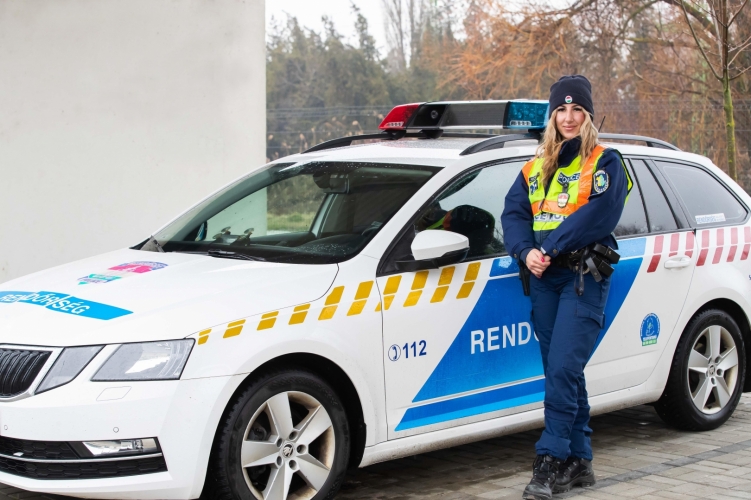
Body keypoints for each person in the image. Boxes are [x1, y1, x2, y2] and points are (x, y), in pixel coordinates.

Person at [500, 75, 632, 500]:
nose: (569, 117)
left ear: (588, 115)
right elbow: (513, 214)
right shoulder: (535, 166)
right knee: (562, 371)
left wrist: (550, 247)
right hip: (544, 278)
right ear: (552, 115)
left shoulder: (606, 161)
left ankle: (550, 459)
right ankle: (580, 461)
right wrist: (525, 252)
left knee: (561, 369)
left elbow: (601, 214)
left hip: (581, 278)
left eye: (577, 110)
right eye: (561, 109)